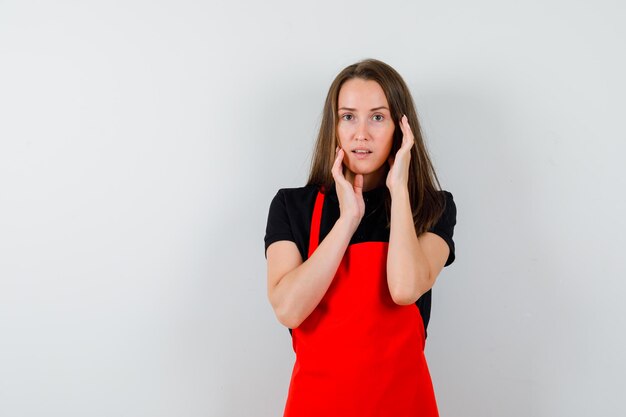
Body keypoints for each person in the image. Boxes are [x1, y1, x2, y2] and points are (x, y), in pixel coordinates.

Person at [264, 58, 457, 417]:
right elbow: (289, 309)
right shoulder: (292, 206)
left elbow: (404, 289)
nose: (361, 133)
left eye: (378, 117)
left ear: (402, 128)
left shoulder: (432, 208)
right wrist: (347, 220)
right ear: (333, 126)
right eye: (348, 116)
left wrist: (399, 189)